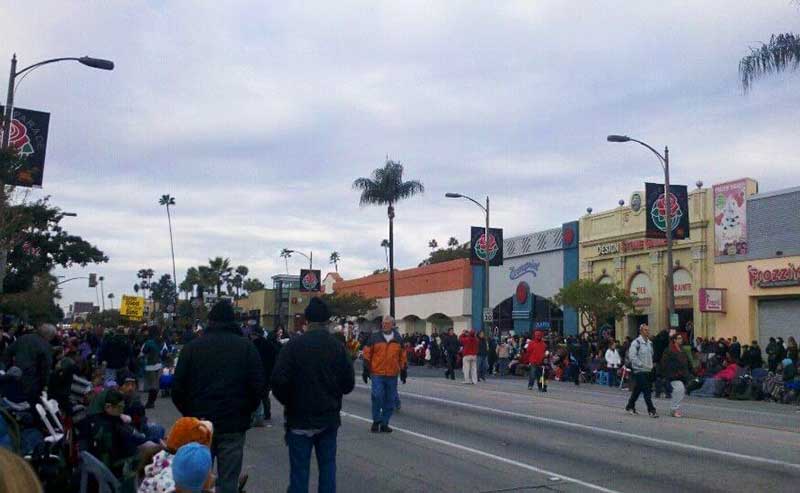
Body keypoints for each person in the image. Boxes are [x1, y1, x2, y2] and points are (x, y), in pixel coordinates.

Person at [172, 301, 265, 493]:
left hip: (200, 423)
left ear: (210, 321)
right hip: (233, 423)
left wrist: (190, 413)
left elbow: (177, 387)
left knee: (195, 479)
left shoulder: (192, 348)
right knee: (229, 481)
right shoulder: (246, 347)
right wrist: (246, 411)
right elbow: (258, 386)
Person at [271, 297, 355, 493]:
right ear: (327, 321)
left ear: (306, 321)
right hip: (328, 418)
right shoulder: (337, 347)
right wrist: (334, 394)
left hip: (299, 418)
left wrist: (290, 401)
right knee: (327, 468)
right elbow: (348, 383)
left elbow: (277, 380)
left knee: (299, 472)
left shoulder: (293, 346)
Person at [362, 315, 406, 433]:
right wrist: (366, 369)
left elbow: (402, 356)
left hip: (392, 374)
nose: (385, 325)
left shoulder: (398, 339)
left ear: (393, 325)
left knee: (390, 399)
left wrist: (403, 370)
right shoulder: (374, 337)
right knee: (377, 396)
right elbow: (367, 353)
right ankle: (376, 420)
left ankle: (385, 423)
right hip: (377, 373)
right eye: (383, 323)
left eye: (387, 323)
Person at [2, 323, 55, 402]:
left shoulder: (24, 338)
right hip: (31, 384)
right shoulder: (46, 346)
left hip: (14, 378)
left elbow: (7, 352)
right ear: (49, 335)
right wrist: (44, 385)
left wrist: (8, 368)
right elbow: (46, 369)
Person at [250, 325, 281, 426]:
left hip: (256, 373)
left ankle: (257, 415)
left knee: (256, 394)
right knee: (265, 395)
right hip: (267, 373)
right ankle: (267, 413)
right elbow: (274, 358)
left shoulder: (251, 345)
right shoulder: (269, 344)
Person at [625, 324, 658, 418]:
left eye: (648, 330)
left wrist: (651, 366)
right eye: (645, 330)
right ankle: (651, 410)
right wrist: (640, 364)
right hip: (639, 370)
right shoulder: (636, 343)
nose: (647, 332)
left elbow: (651, 356)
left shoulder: (650, 343)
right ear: (641, 331)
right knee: (647, 390)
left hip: (648, 370)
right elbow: (632, 357)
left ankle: (630, 405)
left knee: (638, 389)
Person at [661, 334, 691, 418]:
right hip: (673, 374)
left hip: (682, 374)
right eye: (679, 338)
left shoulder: (682, 350)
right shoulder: (669, 350)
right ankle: (674, 409)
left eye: (681, 338)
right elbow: (664, 362)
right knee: (679, 390)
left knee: (680, 391)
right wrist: (666, 374)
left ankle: (674, 409)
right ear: (674, 340)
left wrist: (691, 371)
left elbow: (687, 361)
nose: (681, 340)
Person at [140, 327, 163, 410]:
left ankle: (150, 403)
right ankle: (152, 401)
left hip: (150, 365)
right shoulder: (161, 342)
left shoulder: (149, 342)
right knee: (156, 384)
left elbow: (143, 353)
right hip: (159, 365)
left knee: (151, 385)